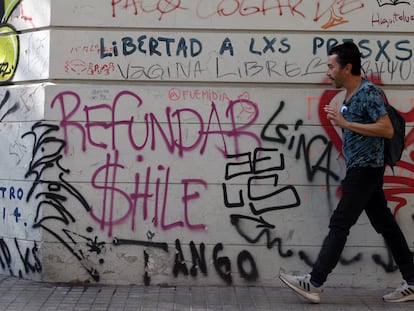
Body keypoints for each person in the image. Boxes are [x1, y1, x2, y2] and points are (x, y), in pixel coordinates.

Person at [279, 41, 414, 304]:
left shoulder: (368, 93)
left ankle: (314, 282)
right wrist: (342, 121)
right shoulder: (349, 96)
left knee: (340, 224)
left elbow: (386, 129)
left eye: (331, 66)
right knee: (386, 225)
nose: (328, 72)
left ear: (347, 68)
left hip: (365, 171)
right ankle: (412, 280)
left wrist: (345, 123)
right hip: (363, 171)